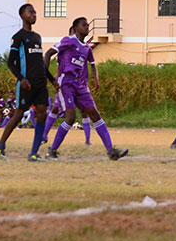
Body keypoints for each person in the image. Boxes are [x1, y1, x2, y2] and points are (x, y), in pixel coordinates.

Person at [43, 17, 128, 161]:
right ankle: (52, 150)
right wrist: (50, 78)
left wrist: (95, 79)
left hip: (80, 86)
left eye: (88, 25)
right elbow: (48, 54)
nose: (87, 27)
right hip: (66, 84)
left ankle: (111, 151)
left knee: (95, 114)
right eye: (84, 25)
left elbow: (92, 65)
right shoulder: (68, 40)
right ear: (75, 29)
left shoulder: (87, 48)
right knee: (70, 117)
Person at [0, 4, 50, 162]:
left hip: (40, 84)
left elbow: (40, 63)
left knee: (42, 115)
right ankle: (0, 145)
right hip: (27, 84)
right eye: (31, 12)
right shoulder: (18, 37)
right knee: (18, 114)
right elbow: (11, 63)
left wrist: (52, 80)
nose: (34, 14)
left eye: (35, 12)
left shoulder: (37, 37)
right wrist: (21, 79)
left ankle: (33, 153)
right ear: (22, 16)